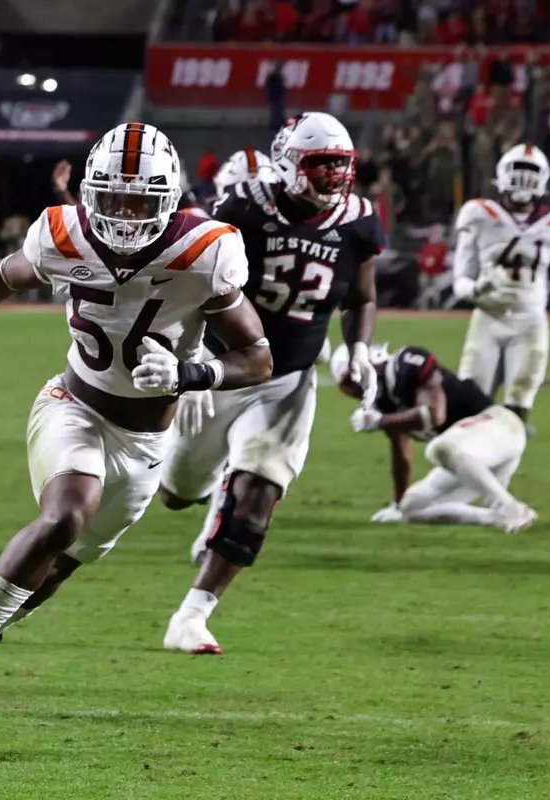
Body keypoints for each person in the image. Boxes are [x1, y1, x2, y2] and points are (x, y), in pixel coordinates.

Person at [0, 122, 272, 719]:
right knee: (65, 515)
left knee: (59, 564)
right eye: (112, 199)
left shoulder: (206, 251)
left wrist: (191, 373)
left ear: (169, 199)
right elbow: (0, 278)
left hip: (147, 440)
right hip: (73, 406)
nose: (125, 215)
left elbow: (257, 358)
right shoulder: (64, 233)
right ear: (89, 193)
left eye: (140, 201)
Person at [155, 112, 381, 655]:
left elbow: (361, 297)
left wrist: (358, 350)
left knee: (260, 492)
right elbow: (194, 288)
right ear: (288, 163)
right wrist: (190, 361)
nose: (333, 175)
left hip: (287, 380)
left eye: (340, 164)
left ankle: (192, 615)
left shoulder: (359, 221)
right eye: (321, 163)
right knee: (177, 495)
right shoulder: (242, 210)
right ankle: (215, 482)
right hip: (223, 370)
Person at [331, 344, 535, 532]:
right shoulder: (382, 404)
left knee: (440, 448)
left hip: (501, 426)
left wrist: (381, 421)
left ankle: (507, 506)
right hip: (473, 460)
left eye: (355, 376)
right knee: (411, 507)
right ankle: (498, 518)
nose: (356, 386)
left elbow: (433, 414)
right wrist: (397, 504)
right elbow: (401, 453)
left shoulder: (407, 363)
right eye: (349, 384)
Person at [451, 144, 550, 427]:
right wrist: (477, 290)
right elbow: (460, 279)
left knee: (518, 405)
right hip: (488, 317)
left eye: (531, 171)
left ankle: (506, 456)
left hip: (530, 321)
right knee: (469, 404)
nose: (524, 177)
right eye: (518, 169)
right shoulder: (479, 213)